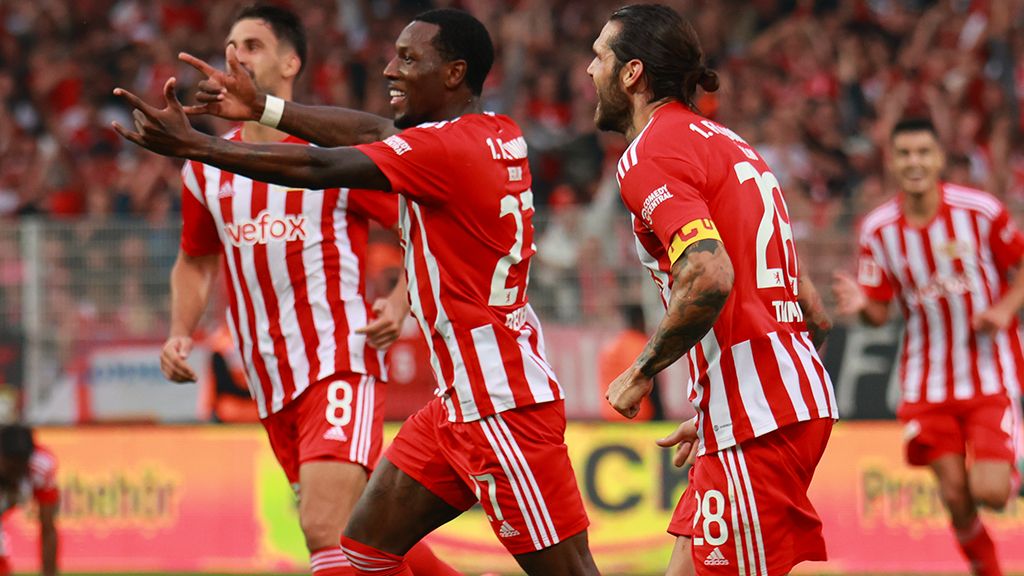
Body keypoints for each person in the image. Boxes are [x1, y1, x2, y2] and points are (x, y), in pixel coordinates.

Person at [113, 8, 599, 576]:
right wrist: (264, 110)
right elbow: (372, 132)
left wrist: (196, 146)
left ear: (453, 73)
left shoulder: (438, 153)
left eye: (410, 59)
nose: (390, 69)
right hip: (448, 402)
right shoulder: (493, 133)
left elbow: (324, 167)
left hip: (495, 401)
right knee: (363, 545)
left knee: (567, 572)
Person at [154, 6, 457, 576]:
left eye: (253, 45)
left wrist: (400, 301)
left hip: (337, 362)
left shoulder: (333, 159)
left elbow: (425, 225)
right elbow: (194, 262)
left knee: (322, 528)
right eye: (230, 45)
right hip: (268, 380)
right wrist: (179, 332)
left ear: (291, 63)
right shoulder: (207, 167)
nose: (235, 56)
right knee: (360, 527)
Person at [589, 5, 837, 575]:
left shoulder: (649, 153)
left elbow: (710, 274)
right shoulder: (731, 146)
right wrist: (731, 396)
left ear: (631, 75)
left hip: (758, 422)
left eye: (600, 56)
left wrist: (642, 370)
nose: (588, 70)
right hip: (761, 409)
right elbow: (812, 312)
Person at [833, 117, 1024, 576]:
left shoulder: (980, 212)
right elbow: (879, 313)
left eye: (923, 152)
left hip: (989, 373)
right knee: (955, 497)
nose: (914, 162)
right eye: (904, 154)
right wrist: (862, 305)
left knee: (991, 493)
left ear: (939, 158)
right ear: (892, 161)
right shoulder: (877, 231)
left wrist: (1002, 311)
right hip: (926, 383)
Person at [0, 424, 58, 576]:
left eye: (21, 464)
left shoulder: (41, 467)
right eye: (11, 464)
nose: (16, 471)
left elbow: (48, 528)